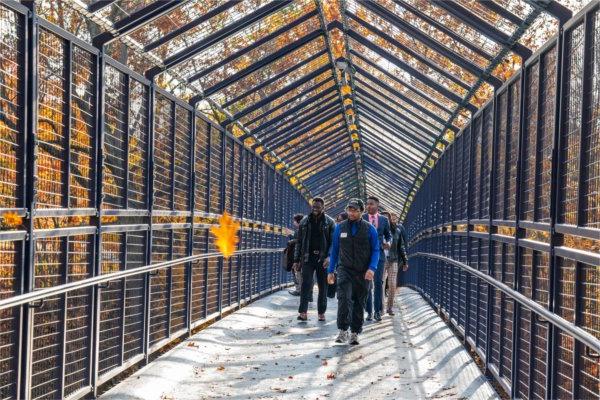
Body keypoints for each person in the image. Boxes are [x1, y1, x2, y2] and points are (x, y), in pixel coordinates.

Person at [328, 198, 379, 345]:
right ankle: (343, 330)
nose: (351, 213)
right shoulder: (340, 228)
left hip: (363, 271)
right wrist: (331, 271)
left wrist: (372, 268)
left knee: (359, 301)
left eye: (354, 210)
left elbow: (376, 250)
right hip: (345, 269)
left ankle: (355, 332)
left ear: (361, 212)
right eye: (349, 210)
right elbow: (335, 250)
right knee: (344, 299)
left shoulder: (370, 229)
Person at [293, 198, 335, 321]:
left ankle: (321, 313)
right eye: (313, 207)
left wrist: (329, 256)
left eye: (318, 207)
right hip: (307, 257)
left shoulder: (330, 222)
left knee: (323, 286)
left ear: (323, 207)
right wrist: (296, 260)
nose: (315, 209)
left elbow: (333, 243)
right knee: (306, 285)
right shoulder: (304, 222)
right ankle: (303, 312)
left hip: (323, 259)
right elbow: (299, 242)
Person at [363, 196, 391, 322]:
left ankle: (378, 311)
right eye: (367, 204)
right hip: (364, 256)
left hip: (379, 255)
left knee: (378, 283)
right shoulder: (362, 218)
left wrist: (389, 242)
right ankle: (369, 311)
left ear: (377, 205)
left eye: (371, 204)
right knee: (367, 283)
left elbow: (388, 235)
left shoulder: (384, 220)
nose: (368, 206)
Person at [381, 212, 408, 315]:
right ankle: (381, 308)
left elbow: (401, 246)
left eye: (388, 218)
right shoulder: (378, 231)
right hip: (381, 261)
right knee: (380, 284)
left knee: (392, 284)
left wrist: (405, 261)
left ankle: (389, 307)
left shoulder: (397, 231)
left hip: (393, 260)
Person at [288, 214, 305, 296]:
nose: (293, 222)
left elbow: (298, 241)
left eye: (294, 220)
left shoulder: (300, 230)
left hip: (297, 255)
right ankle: (301, 290)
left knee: (297, 272)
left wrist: (290, 239)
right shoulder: (301, 230)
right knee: (298, 273)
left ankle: (299, 290)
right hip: (300, 255)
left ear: (298, 221)